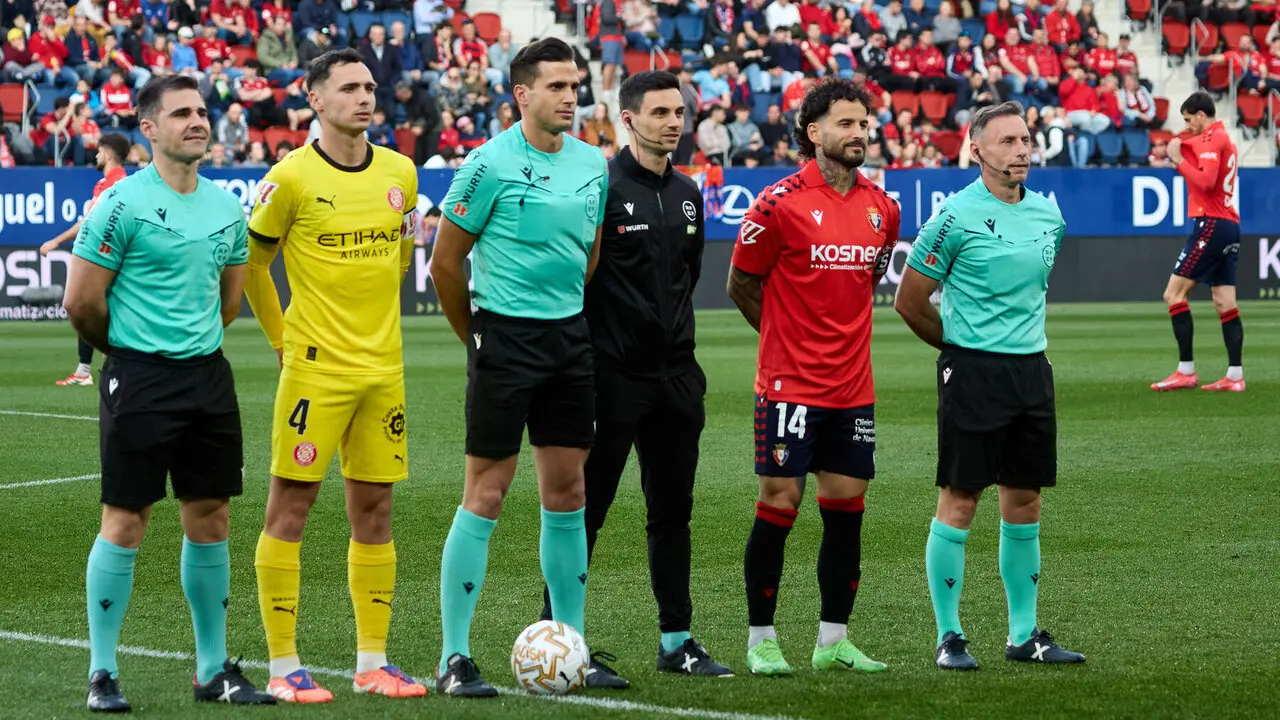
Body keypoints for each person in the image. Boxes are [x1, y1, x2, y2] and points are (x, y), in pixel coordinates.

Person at [62, 74, 274, 713]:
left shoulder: (224, 207)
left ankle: (213, 669)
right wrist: (131, 352)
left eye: (203, 112)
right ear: (148, 129)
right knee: (126, 520)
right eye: (181, 113)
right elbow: (81, 304)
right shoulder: (120, 205)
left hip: (207, 376)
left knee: (210, 519)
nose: (198, 121)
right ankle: (102, 673)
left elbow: (229, 301)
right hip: (140, 376)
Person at [536, 70, 733, 686]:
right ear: (628, 119)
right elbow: (580, 280)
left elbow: (686, 279)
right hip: (610, 379)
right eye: (659, 113)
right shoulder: (602, 188)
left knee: (673, 512)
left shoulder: (689, 193)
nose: (673, 122)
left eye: (679, 112)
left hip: (677, 379)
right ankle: (560, 642)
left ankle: (677, 641)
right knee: (583, 513)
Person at [244, 48, 427, 703]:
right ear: (314, 99)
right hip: (315, 372)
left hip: (384, 371)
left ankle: (372, 663)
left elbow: (403, 255)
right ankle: (283, 665)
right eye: (348, 87)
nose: (364, 97)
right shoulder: (288, 179)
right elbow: (253, 264)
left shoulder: (401, 173)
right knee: (290, 507)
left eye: (370, 87)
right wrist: (282, 340)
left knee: (375, 511)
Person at [428, 37, 607, 698]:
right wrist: (474, 335)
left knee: (569, 495)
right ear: (522, 94)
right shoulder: (487, 165)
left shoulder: (594, 163)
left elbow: (586, 253)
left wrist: (565, 308)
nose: (570, 98)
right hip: (503, 337)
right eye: (556, 86)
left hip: (569, 339)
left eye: (575, 85)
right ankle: (454, 656)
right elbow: (446, 262)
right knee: (487, 493)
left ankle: (572, 644)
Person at [893, 101, 1086, 671]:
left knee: (1024, 500)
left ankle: (1023, 635)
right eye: (1006, 141)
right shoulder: (953, 215)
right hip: (973, 371)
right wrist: (960, 348)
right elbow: (910, 300)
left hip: (1032, 371)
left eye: (1025, 139)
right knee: (960, 498)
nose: (1021, 149)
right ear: (976, 150)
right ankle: (949, 636)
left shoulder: (1049, 216)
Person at [726, 78, 900, 677]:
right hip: (789, 388)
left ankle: (833, 640)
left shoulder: (885, 209)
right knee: (781, 501)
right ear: (813, 132)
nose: (858, 134)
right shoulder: (777, 204)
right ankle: (760, 639)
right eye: (845, 124)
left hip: (854, 391)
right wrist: (786, 340)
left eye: (863, 123)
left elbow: (866, 282)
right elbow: (742, 284)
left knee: (847, 506)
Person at [1151, 92, 1244, 392]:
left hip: (1212, 224)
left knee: (1173, 294)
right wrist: (1178, 144)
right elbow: (1187, 142)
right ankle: (1234, 376)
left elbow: (1205, 180)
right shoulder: (1222, 138)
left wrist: (1177, 159)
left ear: (1202, 115)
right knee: (1224, 301)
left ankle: (1186, 371)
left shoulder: (1211, 141)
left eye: (1190, 120)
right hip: (1230, 224)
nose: (1188, 127)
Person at [40, 132, 132, 387]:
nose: (96, 154)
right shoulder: (105, 183)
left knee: (88, 307)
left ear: (109, 154)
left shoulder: (117, 184)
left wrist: (56, 241)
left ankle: (113, 368)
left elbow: (89, 223)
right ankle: (88, 370)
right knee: (89, 307)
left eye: (100, 150)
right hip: (104, 255)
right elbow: (88, 222)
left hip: (109, 256)